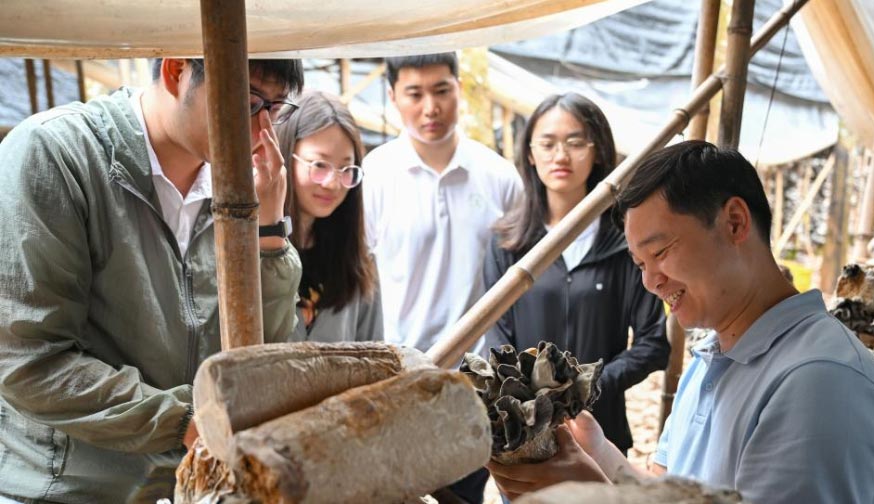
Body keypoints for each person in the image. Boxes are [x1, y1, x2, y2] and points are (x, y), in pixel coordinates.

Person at [488, 140, 874, 504]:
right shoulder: (715, 355)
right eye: (639, 263)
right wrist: (597, 455)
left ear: (735, 222)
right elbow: (668, 490)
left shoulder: (820, 382)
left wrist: (589, 495)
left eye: (661, 251)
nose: (651, 281)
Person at [0, 58, 304, 503]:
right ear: (177, 70)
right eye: (249, 102)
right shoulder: (56, 154)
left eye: (275, 109)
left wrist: (270, 229)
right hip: (64, 490)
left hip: (183, 489)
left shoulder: (235, 186)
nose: (262, 131)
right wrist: (186, 421)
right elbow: (28, 361)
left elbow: (258, 360)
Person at [361, 52, 521, 504]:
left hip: (475, 380)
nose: (429, 108)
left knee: (465, 492)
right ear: (393, 97)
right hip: (397, 376)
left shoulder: (498, 176)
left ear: (458, 88)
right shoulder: (374, 175)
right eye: (415, 94)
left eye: (441, 90)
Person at [484, 92, 669, 457]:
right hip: (527, 439)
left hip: (604, 435)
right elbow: (497, 337)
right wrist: (534, 401)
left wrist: (585, 389)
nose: (560, 155)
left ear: (598, 150)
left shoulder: (625, 243)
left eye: (574, 142)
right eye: (548, 143)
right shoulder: (508, 243)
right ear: (530, 153)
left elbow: (653, 344)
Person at [275, 90, 382, 343]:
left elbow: (376, 358)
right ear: (285, 156)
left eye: (346, 169)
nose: (333, 184)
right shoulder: (255, 253)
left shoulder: (358, 260)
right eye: (319, 165)